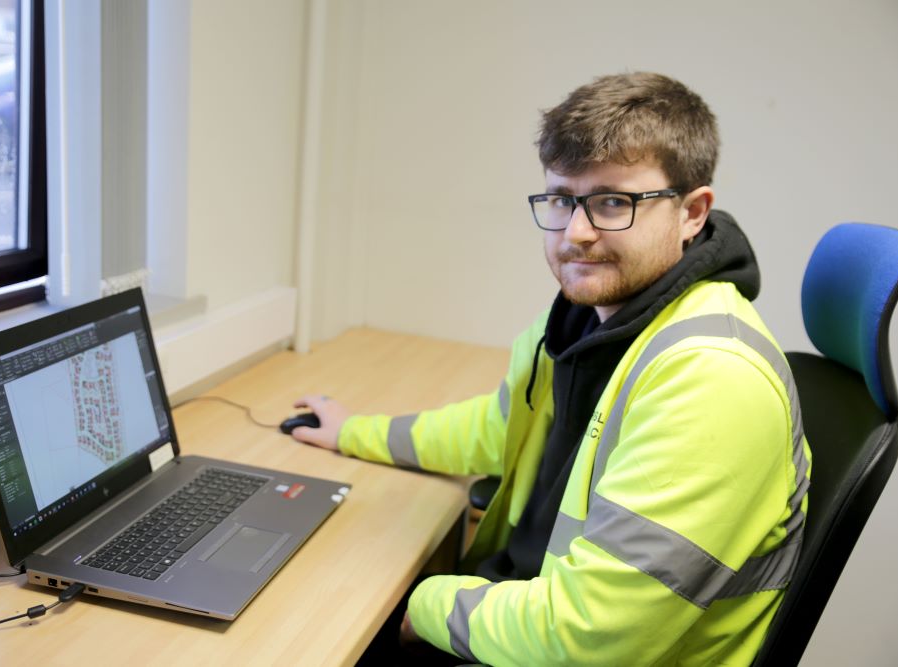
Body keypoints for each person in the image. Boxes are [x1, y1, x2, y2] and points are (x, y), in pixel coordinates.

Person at [291, 72, 811, 666]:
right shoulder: (590, 319)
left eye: (613, 202)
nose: (577, 233)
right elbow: (500, 429)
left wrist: (423, 605)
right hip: (525, 617)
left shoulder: (713, 379)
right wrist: (353, 433)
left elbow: (589, 635)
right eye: (563, 199)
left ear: (692, 213)